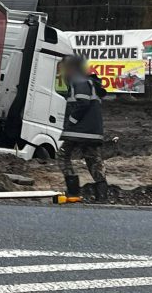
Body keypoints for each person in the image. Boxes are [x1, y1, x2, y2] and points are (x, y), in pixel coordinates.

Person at [57, 55, 108, 202]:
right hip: (93, 132)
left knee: (62, 156)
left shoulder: (78, 81)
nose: (62, 73)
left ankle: (73, 192)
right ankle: (102, 195)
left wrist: (72, 120)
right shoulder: (90, 82)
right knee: (93, 160)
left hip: (78, 130)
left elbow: (83, 102)